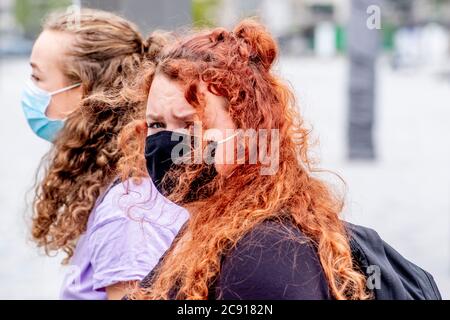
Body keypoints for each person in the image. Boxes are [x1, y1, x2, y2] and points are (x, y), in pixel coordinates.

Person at [119, 19, 371, 300]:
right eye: (156, 124)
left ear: (245, 131)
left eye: (190, 124)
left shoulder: (267, 254)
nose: (165, 142)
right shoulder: (209, 225)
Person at [23, 9, 188, 300]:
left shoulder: (129, 213)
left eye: (37, 77)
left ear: (83, 92)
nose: (29, 91)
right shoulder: (121, 186)